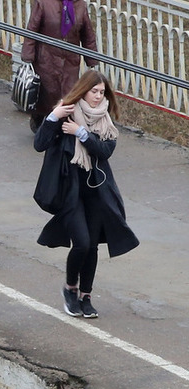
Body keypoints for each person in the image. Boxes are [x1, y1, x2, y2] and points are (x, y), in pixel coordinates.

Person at [34, 71, 138, 317]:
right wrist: (52, 117)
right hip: (69, 191)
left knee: (92, 247)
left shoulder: (105, 120)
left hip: (95, 192)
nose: (98, 96)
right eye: (94, 91)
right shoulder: (66, 113)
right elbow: (39, 144)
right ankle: (70, 288)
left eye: (102, 92)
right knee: (81, 242)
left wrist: (81, 133)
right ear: (83, 91)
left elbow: (104, 151)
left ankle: (86, 295)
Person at [22, 0, 100, 132]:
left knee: (69, 96)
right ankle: (39, 121)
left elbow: (87, 34)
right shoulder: (43, 1)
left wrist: (92, 61)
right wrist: (28, 58)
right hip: (46, 59)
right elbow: (32, 30)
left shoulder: (80, 5)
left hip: (70, 60)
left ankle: (60, 131)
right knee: (46, 95)